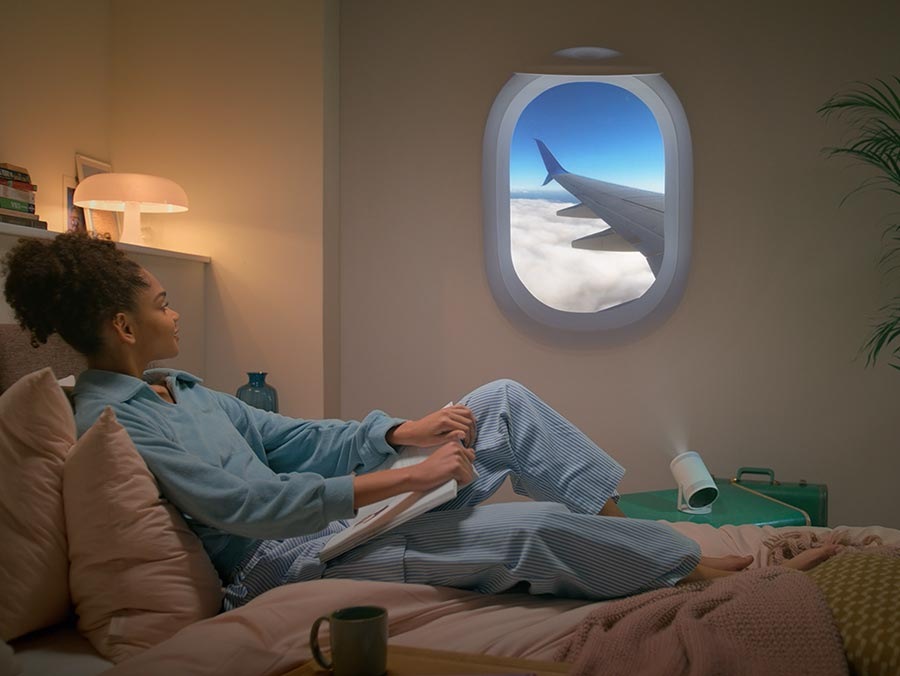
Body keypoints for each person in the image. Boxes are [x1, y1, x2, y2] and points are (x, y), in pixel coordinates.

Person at [2, 233, 835, 610]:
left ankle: (636, 537)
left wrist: (405, 431)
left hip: (339, 521)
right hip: (284, 563)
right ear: (119, 325)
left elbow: (289, 439)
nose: (175, 313)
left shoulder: (177, 387)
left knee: (497, 400)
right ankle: (709, 574)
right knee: (528, 529)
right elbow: (242, 507)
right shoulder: (114, 424)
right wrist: (407, 479)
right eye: (161, 302)